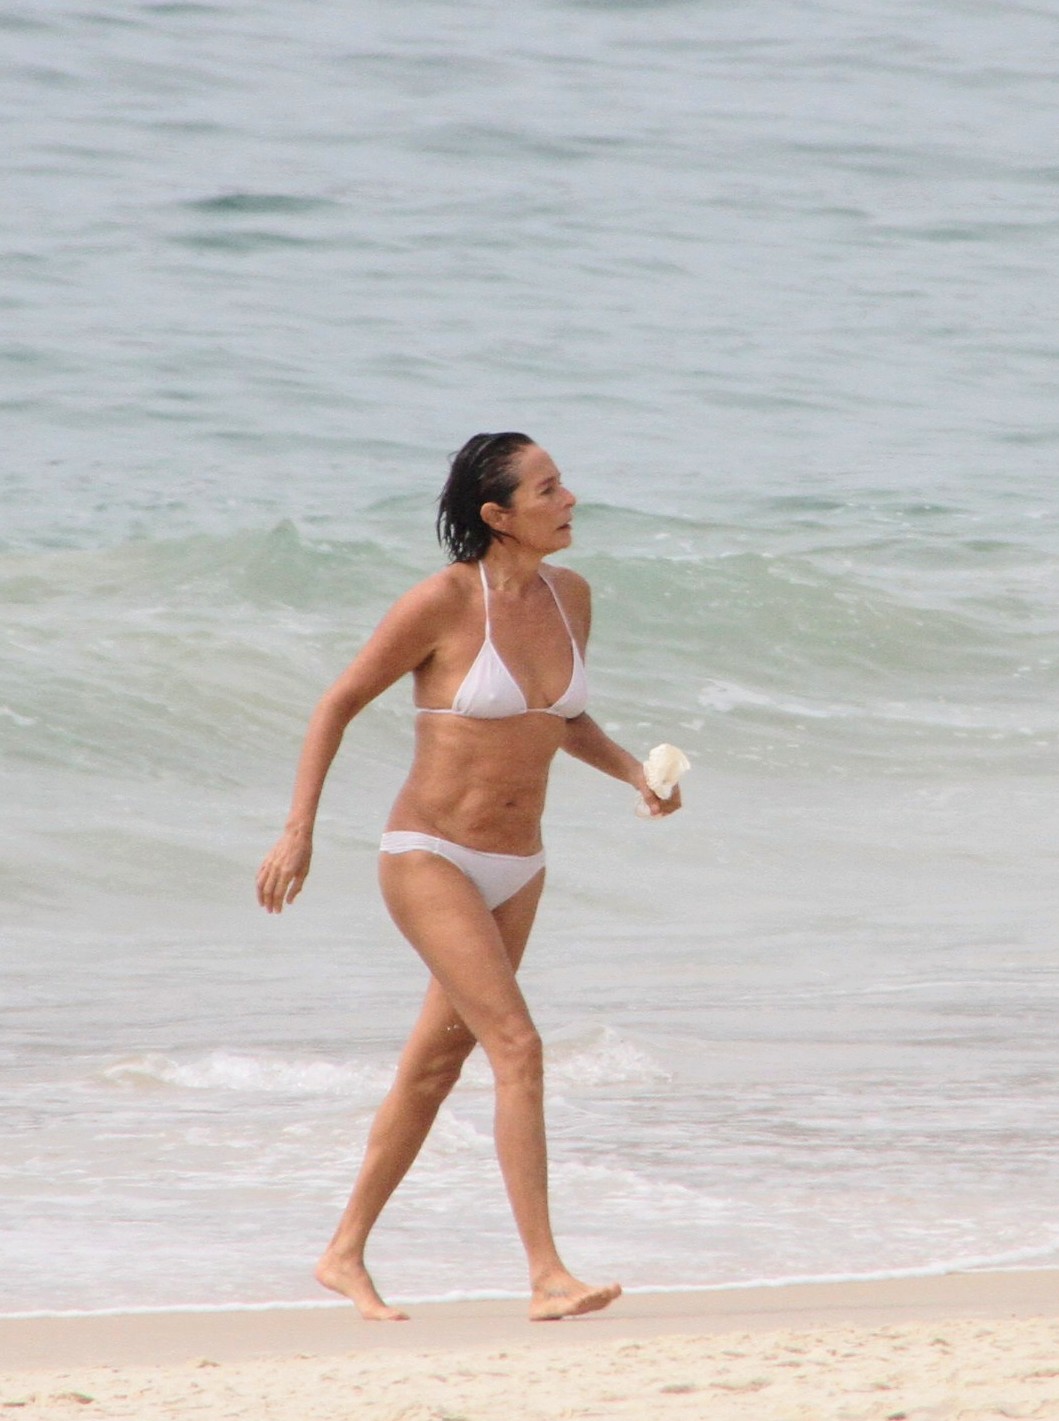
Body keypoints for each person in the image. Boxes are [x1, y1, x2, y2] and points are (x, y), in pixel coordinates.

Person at [256, 433, 681, 1322]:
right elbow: (335, 703)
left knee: (435, 1065)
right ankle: (546, 1274)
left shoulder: (571, 598)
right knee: (517, 1047)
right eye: (548, 488)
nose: (569, 498)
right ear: (497, 515)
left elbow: (561, 721)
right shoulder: (443, 602)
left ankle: (342, 1252)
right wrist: (299, 832)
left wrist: (635, 774)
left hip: (517, 866)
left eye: (563, 481)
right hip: (430, 855)